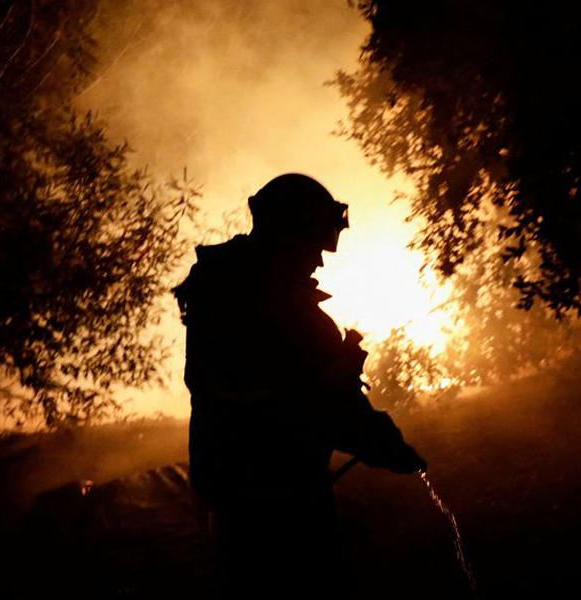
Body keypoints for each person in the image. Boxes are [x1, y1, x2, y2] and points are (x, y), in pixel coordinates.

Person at [173, 173, 426, 596]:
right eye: (314, 246)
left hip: (234, 501)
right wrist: (388, 445)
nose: (320, 261)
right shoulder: (287, 313)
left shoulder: (222, 295)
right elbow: (328, 409)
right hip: (286, 503)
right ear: (289, 237)